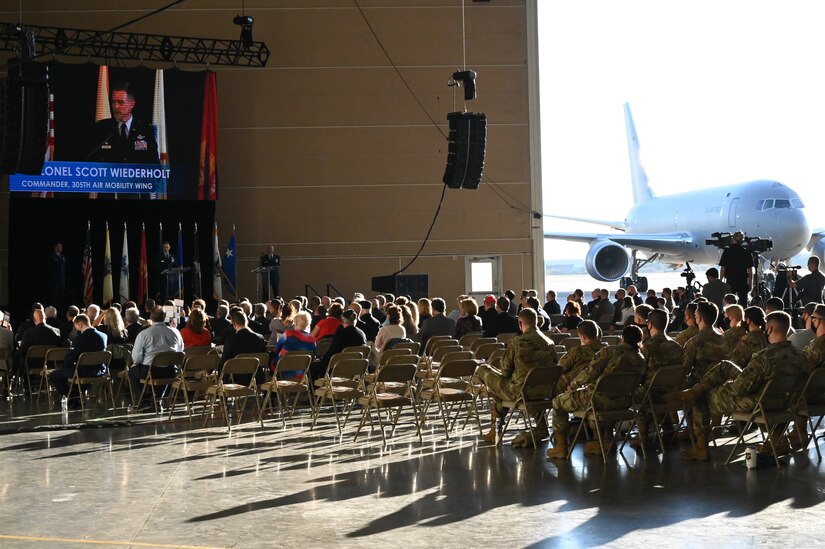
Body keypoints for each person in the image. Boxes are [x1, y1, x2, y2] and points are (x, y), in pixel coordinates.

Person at [668, 311, 808, 460]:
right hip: (783, 402)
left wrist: (725, 386)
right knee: (726, 366)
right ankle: (695, 390)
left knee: (701, 398)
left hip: (756, 402)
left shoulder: (764, 357)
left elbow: (739, 389)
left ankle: (701, 446)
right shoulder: (801, 356)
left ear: (770, 329)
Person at [546, 325, 646, 459]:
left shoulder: (609, 351)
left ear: (622, 338)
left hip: (597, 400)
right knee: (610, 396)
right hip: (624, 402)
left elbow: (589, 373)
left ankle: (560, 447)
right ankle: (606, 440)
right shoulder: (641, 359)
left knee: (558, 402)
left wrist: (573, 385)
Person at [477, 308, 558, 445]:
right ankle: (541, 425)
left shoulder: (517, 343)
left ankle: (495, 429)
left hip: (519, 392)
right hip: (545, 391)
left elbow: (505, 372)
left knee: (484, 370)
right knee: (506, 388)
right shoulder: (549, 343)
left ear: (520, 323)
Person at [632, 309, 684, 449]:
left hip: (651, 396)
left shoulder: (647, 347)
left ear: (650, 324)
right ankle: (668, 431)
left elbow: (638, 373)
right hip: (675, 395)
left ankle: (643, 437)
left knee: (634, 393)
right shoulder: (677, 347)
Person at [87, 82, 159, 164]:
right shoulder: (102, 128)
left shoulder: (145, 130)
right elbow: (91, 162)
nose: (116, 107)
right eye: (113, 102)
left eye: (121, 102)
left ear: (132, 104)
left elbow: (155, 167)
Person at [128, 306, 185, 405]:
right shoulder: (175, 333)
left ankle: (144, 401)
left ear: (151, 316)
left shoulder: (144, 334)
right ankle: (157, 399)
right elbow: (180, 351)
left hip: (151, 371)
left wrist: (137, 363)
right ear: (165, 317)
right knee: (163, 369)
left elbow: (136, 358)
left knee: (132, 372)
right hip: (171, 371)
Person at [48, 314, 107, 409]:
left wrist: (65, 364)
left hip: (83, 372)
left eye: (76, 327)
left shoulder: (79, 339)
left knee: (54, 375)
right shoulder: (104, 336)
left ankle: (72, 398)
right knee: (68, 374)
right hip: (100, 371)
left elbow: (71, 359)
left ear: (80, 325)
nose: (77, 330)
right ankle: (75, 397)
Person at [312, 309, 366, 380]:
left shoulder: (341, 334)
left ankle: (317, 389)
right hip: (356, 367)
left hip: (339, 367)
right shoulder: (362, 334)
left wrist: (321, 360)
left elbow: (332, 352)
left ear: (342, 321)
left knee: (312, 367)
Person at [555, 320, 605, 394]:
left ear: (583, 337)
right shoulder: (606, 350)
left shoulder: (577, 351)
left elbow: (560, 367)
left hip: (573, 388)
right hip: (598, 387)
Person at [220, 309, 267, 384]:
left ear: (234, 325)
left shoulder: (231, 340)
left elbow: (224, 362)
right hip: (257, 377)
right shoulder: (260, 338)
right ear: (247, 322)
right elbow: (264, 358)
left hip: (237, 378)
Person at [15, 308, 62, 383]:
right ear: (45, 318)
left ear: (34, 320)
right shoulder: (56, 331)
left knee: (20, 358)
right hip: (50, 365)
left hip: (32, 365)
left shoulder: (29, 333)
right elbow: (59, 349)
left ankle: (27, 387)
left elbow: (22, 352)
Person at [719, 231, 754, 306]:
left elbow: (723, 268)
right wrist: (750, 284)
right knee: (744, 303)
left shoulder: (727, 251)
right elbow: (750, 271)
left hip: (730, 280)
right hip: (743, 281)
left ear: (734, 239)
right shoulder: (746, 252)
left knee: (729, 303)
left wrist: (721, 281)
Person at [47, 242, 66, 313]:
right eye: (59, 246)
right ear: (55, 247)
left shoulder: (63, 256)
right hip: (54, 280)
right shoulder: (51, 256)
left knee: (61, 297)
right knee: (53, 297)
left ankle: (60, 312)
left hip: (62, 280)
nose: (61, 248)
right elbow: (48, 268)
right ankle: (52, 312)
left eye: (61, 246)